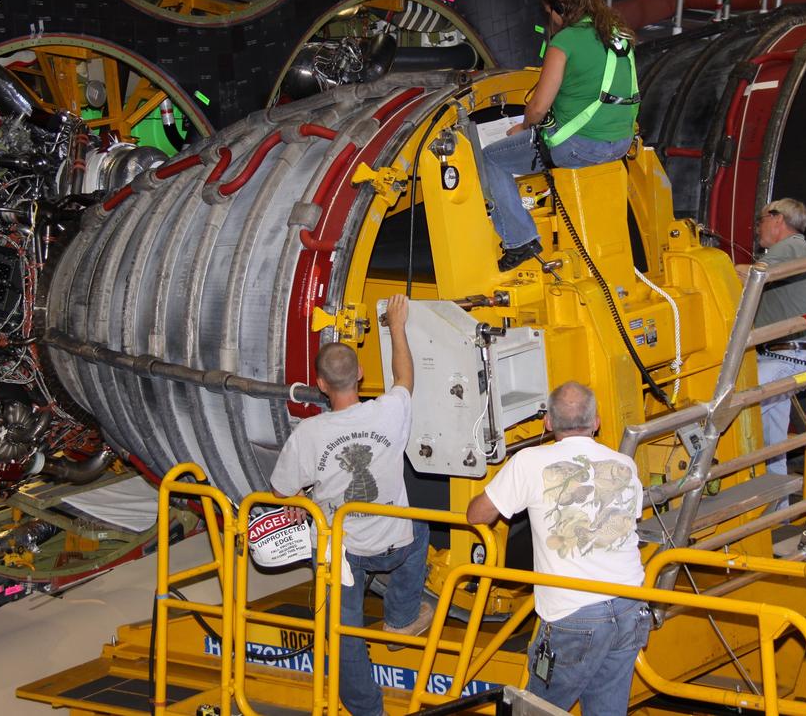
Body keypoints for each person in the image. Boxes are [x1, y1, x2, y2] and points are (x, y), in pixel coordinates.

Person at [270, 294, 432, 716]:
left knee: (343, 634)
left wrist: (305, 499)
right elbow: (404, 378)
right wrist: (396, 326)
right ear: (360, 374)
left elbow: (281, 493)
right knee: (421, 530)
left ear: (321, 385)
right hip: (393, 542)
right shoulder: (389, 412)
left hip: (341, 552)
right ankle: (400, 619)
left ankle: (367, 711)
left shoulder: (308, 434)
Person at [466, 382, 649, 716]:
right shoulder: (624, 465)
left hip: (573, 616)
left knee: (536, 710)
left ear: (548, 422)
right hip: (629, 607)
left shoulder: (529, 462)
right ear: (596, 422)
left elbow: (477, 514)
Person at [480, 0, 641, 271]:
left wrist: (524, 127)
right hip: (620, 143)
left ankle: (520, 240)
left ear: (559, 9)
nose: (550, 19)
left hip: (581, 146)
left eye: (548, 12)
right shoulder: (618, 36)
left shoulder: (565, 41)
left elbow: (539, 107)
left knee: (492, 159)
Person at [748, 198, 806, 476]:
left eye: (761, 220)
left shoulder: (790, 247)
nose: (758, 228)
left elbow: (753, 276)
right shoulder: (797, 251)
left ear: (777, 218)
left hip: (784, 357)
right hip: (787, 356)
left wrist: (717, 269)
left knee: (735, 411)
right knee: (771, 448)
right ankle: (777, 512)